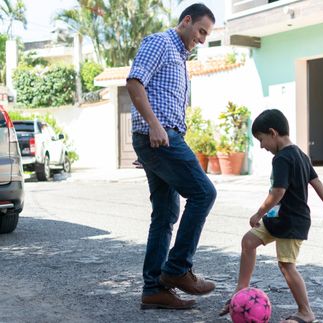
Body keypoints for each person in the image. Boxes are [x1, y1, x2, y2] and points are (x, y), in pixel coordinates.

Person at [126, 3, 217, 310]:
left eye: (207, 35)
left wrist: (150, 146)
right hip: (160, 137)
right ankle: (177, 269)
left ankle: (154, 289)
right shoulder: (160, 43)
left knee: (164, 214)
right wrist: (152, 127)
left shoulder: (180, 57)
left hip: (158, 142)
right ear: (186, 21)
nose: (203, 39)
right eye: (201, 31)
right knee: (204, 193)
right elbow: (134, 81)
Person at [219, 109, 323, 323]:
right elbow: (317, 182)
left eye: (261, 139)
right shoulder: (300, 154)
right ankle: (241, 291)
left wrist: (259, 212)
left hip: (292, 221)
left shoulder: (282, 158)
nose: (261, 146)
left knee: (286, 265)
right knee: (248, 241)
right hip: (279, 219)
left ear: (273, 133)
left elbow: (278, 192)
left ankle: (306, 312)